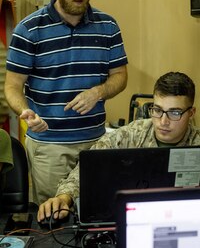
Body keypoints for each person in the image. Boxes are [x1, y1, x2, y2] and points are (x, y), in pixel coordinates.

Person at [4, 0, 128, 205]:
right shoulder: (29, 29)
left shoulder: (108, 26)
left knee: (95, 215)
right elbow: (13, 87)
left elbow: (120, 75)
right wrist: (25, 112)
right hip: (49, 149)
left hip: (96, 144)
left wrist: (98, 92)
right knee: (53, 222)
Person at [37, 71, 200, 222]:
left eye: (174, 113)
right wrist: (65, 197)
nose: (163, 121)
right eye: (157, 110)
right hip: (134, 219)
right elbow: (89, 167)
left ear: (191, 113)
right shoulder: (133, 134)